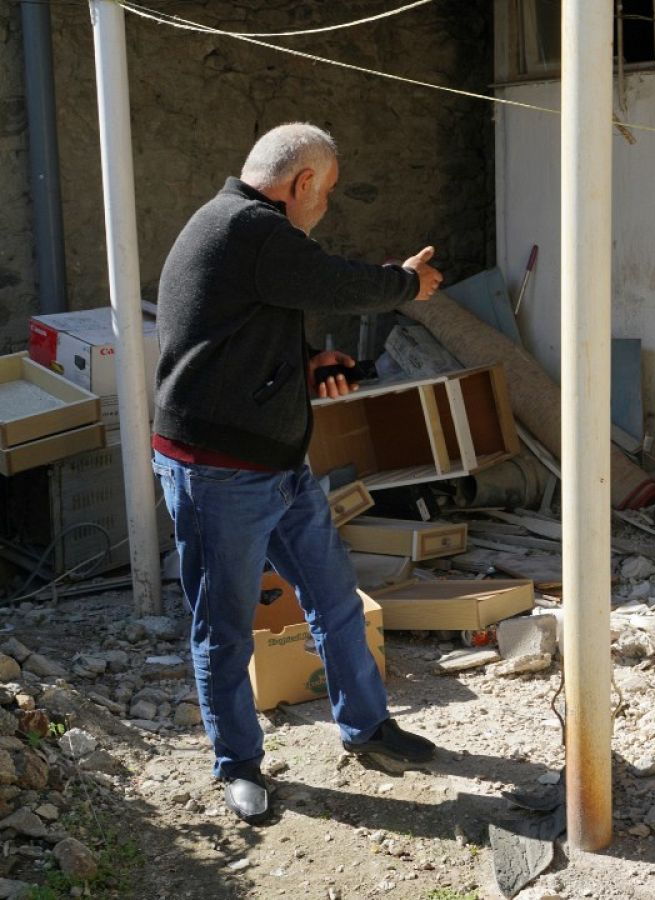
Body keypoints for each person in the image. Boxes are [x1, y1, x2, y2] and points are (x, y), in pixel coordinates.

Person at [152, 122, 445, 823]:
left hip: (276, 464)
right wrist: (407, 282)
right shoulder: (247, 229)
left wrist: (309, 366)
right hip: (217, 472)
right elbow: (335, 282)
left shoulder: (246, 234)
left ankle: (368, 731)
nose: (326, 207)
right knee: (223, 626)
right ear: (301, 182)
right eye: (328, 191)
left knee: (335, 599)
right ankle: (238, 765)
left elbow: (251, 329)